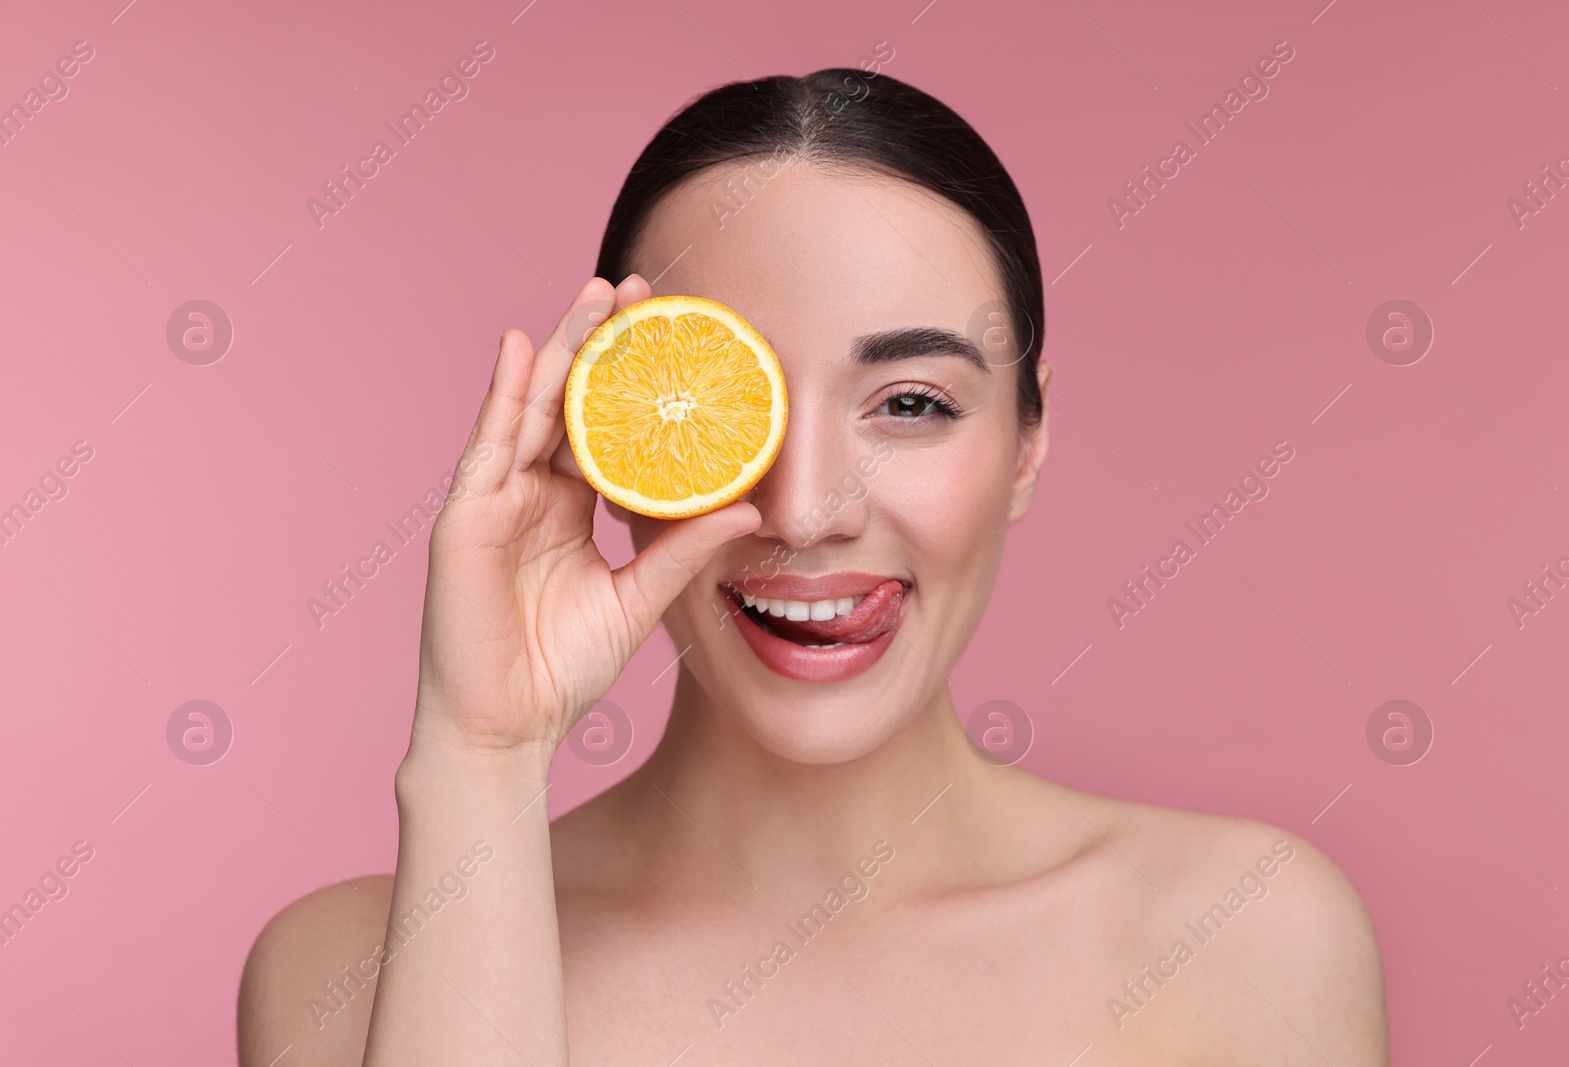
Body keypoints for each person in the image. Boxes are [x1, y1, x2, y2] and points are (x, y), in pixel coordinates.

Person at [238, 67, 1387, 1065]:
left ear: (1027, 442)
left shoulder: (1243, 934)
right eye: (735, 411)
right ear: (611, 443)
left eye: (909, 403)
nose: (803, 508)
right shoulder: (344, 972)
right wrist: (481, 761)